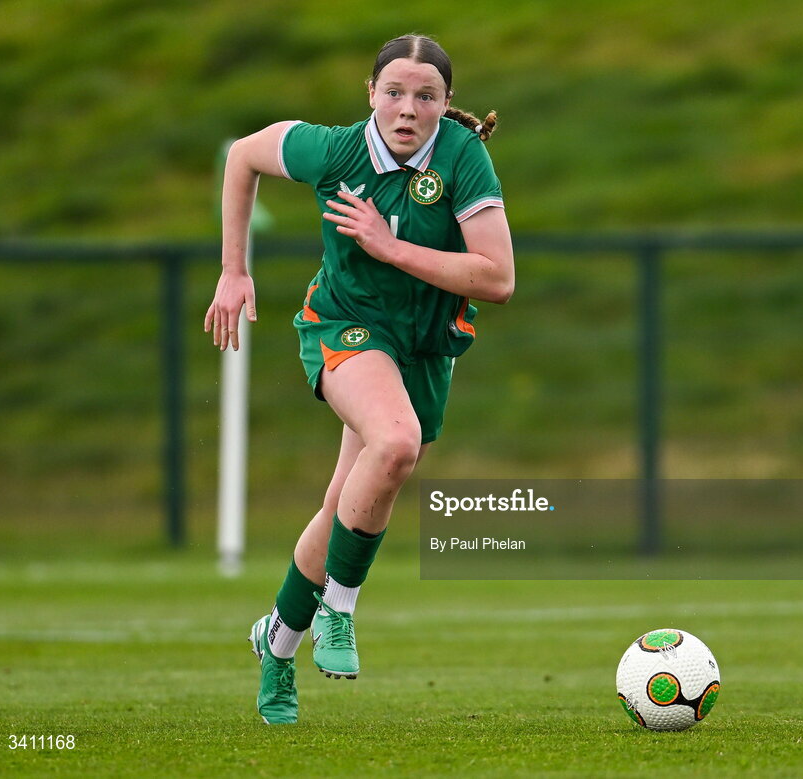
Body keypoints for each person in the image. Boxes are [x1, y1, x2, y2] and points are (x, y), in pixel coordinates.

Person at [204, 33, 514, 725]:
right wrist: (233, 269)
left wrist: (388, 244)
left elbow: (498, 278)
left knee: (346, 499)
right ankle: (339, 609)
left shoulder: (464, 160)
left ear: (446, 104)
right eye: (395, 92)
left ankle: (277, 643)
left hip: (425, 346)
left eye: (425, 96)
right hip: (344, 325)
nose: (408, 108)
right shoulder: (335, 150)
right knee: (396, 442)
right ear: (369, 93)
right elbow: (242, 156)